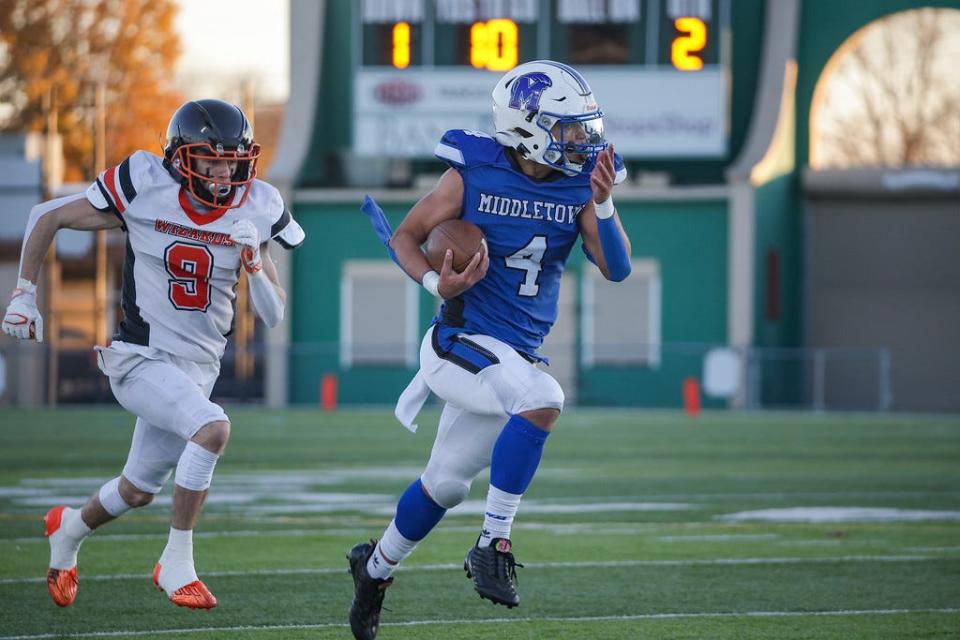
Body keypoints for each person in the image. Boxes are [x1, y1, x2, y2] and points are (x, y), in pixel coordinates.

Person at [351, 60, 631, 640]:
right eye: (568, 128)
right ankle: (492, 541)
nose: (581, 140)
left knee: (446, 483)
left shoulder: (583, 182)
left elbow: (617, 268)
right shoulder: (472, 171)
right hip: (457, 341)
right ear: (526, 127)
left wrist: (603, 205)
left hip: (512, 356)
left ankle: (373, 569)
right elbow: (405, 234)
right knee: (543, 397)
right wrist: (436, 284)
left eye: (584, 127)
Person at [1, 99, 304, 609]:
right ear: (180, 157)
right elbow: (46, 214)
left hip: (198, 369)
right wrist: (24, 292)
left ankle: (68, 531)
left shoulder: (257, 205)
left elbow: (274, 316)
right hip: (140, 357)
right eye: (210, 158)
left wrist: (254, 263)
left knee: (138, 489)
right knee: (213, 430)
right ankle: (176, 563)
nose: (224, 170)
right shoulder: (145, 183)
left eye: (232, 158)